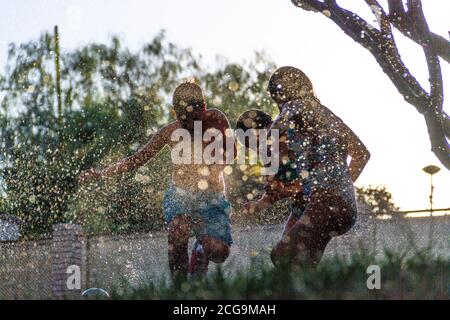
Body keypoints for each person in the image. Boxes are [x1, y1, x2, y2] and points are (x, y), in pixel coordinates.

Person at [79, 81, 235, 279]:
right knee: (178, 232)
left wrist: (217, 168)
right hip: (181, 196)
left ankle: (201, 251)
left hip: (213, 198)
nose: (188, 124)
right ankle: (179, 289)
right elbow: (137, 159)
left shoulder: (216, 118)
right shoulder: (169, 132)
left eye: (194, 118)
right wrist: (103, 173)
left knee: (220, 252)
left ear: (204, 108)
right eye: (183, 118)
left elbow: (233, 151)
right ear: (174, 113)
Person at [249, 66, 371, 266]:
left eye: (276, 100)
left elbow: (271, 136)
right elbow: (362, 154)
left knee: (282, 256)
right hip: (341, 205)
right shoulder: (324, 116)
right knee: (303, 265)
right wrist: (341, 186)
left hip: (326, 203)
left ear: (282, 95)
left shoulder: (295, 105)